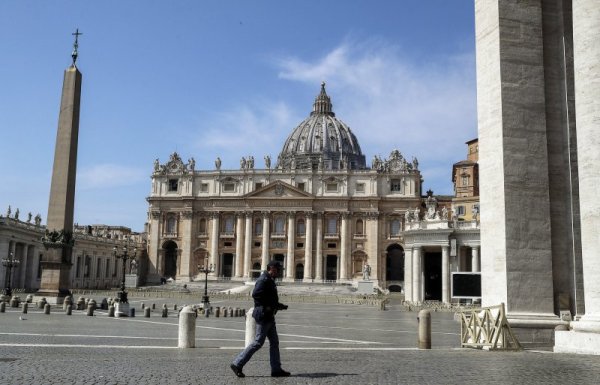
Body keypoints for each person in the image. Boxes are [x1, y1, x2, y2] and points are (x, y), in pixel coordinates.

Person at [231, 260, 290, 378]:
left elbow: (270, 298)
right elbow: (256, 294)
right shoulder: (264, 280)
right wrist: (267, 306)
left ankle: (276, 369)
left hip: (269, 315)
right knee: (258, 342)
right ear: (272, 269)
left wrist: (279, 306)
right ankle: (237, 363)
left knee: (274, 342)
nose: (278, 272)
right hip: (264, 315)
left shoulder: (269, 280)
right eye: (277, 270)